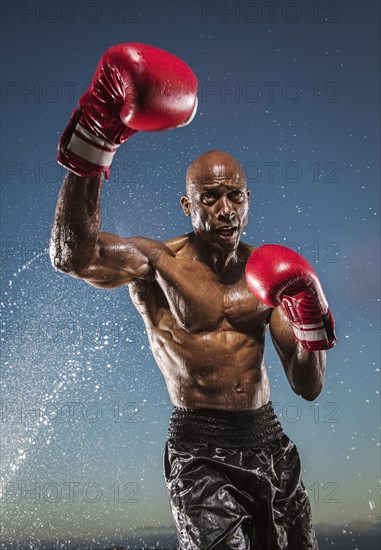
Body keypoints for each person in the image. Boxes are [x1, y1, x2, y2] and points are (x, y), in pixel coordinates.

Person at [50, 43, 336, 550]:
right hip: (200, 449)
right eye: (210, 198)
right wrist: (93, 143)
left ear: (248, 199)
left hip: (270, 440)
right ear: (188, 205)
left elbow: (307, 387)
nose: (225, 210)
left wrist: (312, 324)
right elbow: (73, 256)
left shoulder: (270, 275)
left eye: (236, 196)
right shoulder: (155, 262)